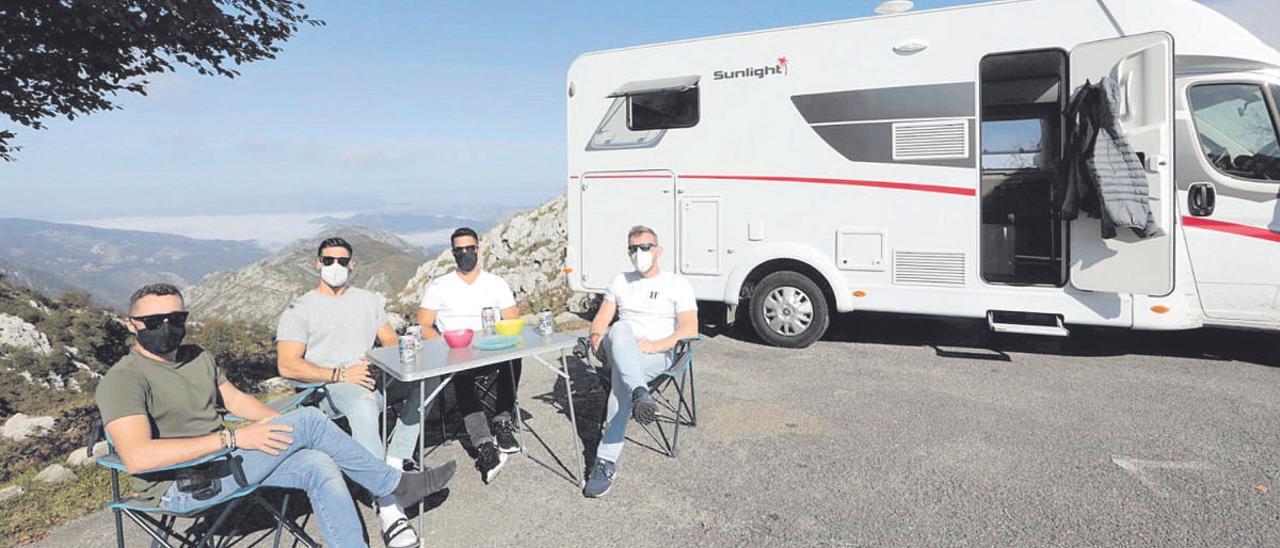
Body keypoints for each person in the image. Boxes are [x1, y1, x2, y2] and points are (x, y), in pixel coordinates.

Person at [96, 283, 456, 548]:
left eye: (175, 318)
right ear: (132, 324)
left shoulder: (196, 356)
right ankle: (394, 486)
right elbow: (138, 457)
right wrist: (233, 438)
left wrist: (284, 431)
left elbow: (236, 401)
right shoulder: (124, 379)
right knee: (312, 420)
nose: (166, 326)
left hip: (227, 462)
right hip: (184, 486)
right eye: (154, 320)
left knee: (317, 462)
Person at [275, 237, 428, 547]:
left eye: (342, 261)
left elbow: (388, 342)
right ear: (317, 264)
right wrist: (341, 374)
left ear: (352, 265)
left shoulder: (368, 300)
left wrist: (382, 362)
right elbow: (288, 366)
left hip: (369, 376)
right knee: (363, 401)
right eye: (328, 260)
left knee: (426, 379)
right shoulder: (300, 309)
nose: (335, 267)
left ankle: (395, 460)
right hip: (327, 388)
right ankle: (388, 506)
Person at [582, 226, 698, 498]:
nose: (638, 253)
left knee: (622, 381)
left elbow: (689, 327)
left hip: (657, 355)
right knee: (621, 328)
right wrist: (597, 336)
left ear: (658, 250)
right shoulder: (620, 281)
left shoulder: (677, 284)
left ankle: (606, 461)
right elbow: (601, 319)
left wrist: (657, 345)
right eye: (633, 248)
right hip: (619, 348)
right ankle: (640, 393)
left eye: (644, 247)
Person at [416, 227, 523, 484]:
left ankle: (502, 421)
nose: (465, 254)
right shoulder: (439, 285)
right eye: (459, 250)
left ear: (479, 248)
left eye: (470, 249)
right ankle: (484, 443)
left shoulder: (495, 283)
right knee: (461, 370)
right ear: (453, 253)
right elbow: (423, 325)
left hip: (491, 348)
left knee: (515, 357)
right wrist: (446, 344)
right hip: (455, 350)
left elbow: (512, 319)